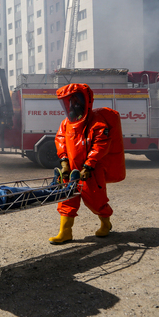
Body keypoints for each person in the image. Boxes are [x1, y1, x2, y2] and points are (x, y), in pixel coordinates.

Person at [49, 83, 123, 244]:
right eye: (70, 101)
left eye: (76, 101)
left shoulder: (97, 123)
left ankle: (106, 223)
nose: (73, 105)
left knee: (96, 200)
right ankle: (65, 232)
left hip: (91, 171)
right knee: (66, 199)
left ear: (85, 101)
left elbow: (101, 145)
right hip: (72, 171)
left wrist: (89, 165)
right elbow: (60, 141)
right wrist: (64, 163)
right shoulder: (65, 124)